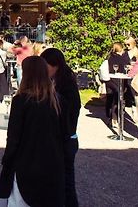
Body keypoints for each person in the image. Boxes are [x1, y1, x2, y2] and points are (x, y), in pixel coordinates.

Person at [0, 57, 65, 207]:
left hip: (26, 163)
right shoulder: (55, 101)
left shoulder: (21, 101)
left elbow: (14, 137)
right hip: (51, 162)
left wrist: (7, 160)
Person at [41, 47, 81, 207]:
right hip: (58, 139)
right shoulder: (55, 82)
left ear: (56, 65)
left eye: (46, 66)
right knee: (55, 182)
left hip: (65, 140)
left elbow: (66, 116)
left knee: (66, 183)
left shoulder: (66, 87)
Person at [105, 42, 131, 127]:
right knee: (118, 98)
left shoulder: (110, 56)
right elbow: (126, 66)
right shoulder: (121, 57)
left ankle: (111, 117)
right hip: (117, 81)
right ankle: (116, 117)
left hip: (110, 80)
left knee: (110, 98)